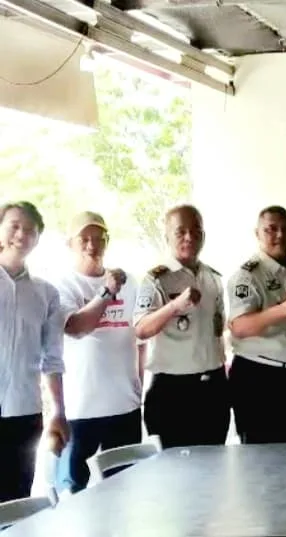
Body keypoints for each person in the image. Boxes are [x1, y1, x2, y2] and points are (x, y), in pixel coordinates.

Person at [52, 212, 143, 495]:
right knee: (73, 494)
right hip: (81, 410)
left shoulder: (130, 282)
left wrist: (138, 384)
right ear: (70, 243)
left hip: (125, 407)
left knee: (126, 490)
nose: (92, 245)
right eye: (84, 239)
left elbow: (140, 335)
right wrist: (106, 292)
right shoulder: (63, 285)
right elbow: (76, 327)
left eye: (98, 238)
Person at [134, 205, 229, 449]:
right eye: (181, 232)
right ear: (167, 236)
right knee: (173, 467)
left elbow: (218, 330)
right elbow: (141, 329)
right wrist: (174, 306)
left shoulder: (213, 277)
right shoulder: (156, 279)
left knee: (213, 463)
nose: (189, 237)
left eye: (196, 231)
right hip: (172, 391)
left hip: (213, 388)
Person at [0, 201, 69, 502]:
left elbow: (52, 358)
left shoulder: (46, 293)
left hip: (24, 413)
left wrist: (59, 411)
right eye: (14, 226)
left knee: (17, 501)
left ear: (38, 239)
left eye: (30, 230)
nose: (21, 234)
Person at [226, 206, 286, 444]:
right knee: (258, 456)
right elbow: (239, 327)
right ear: (257, 233)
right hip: (258, 377)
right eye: (271, 229)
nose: (280, 235)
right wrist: (283, 310)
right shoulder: (247, 275)